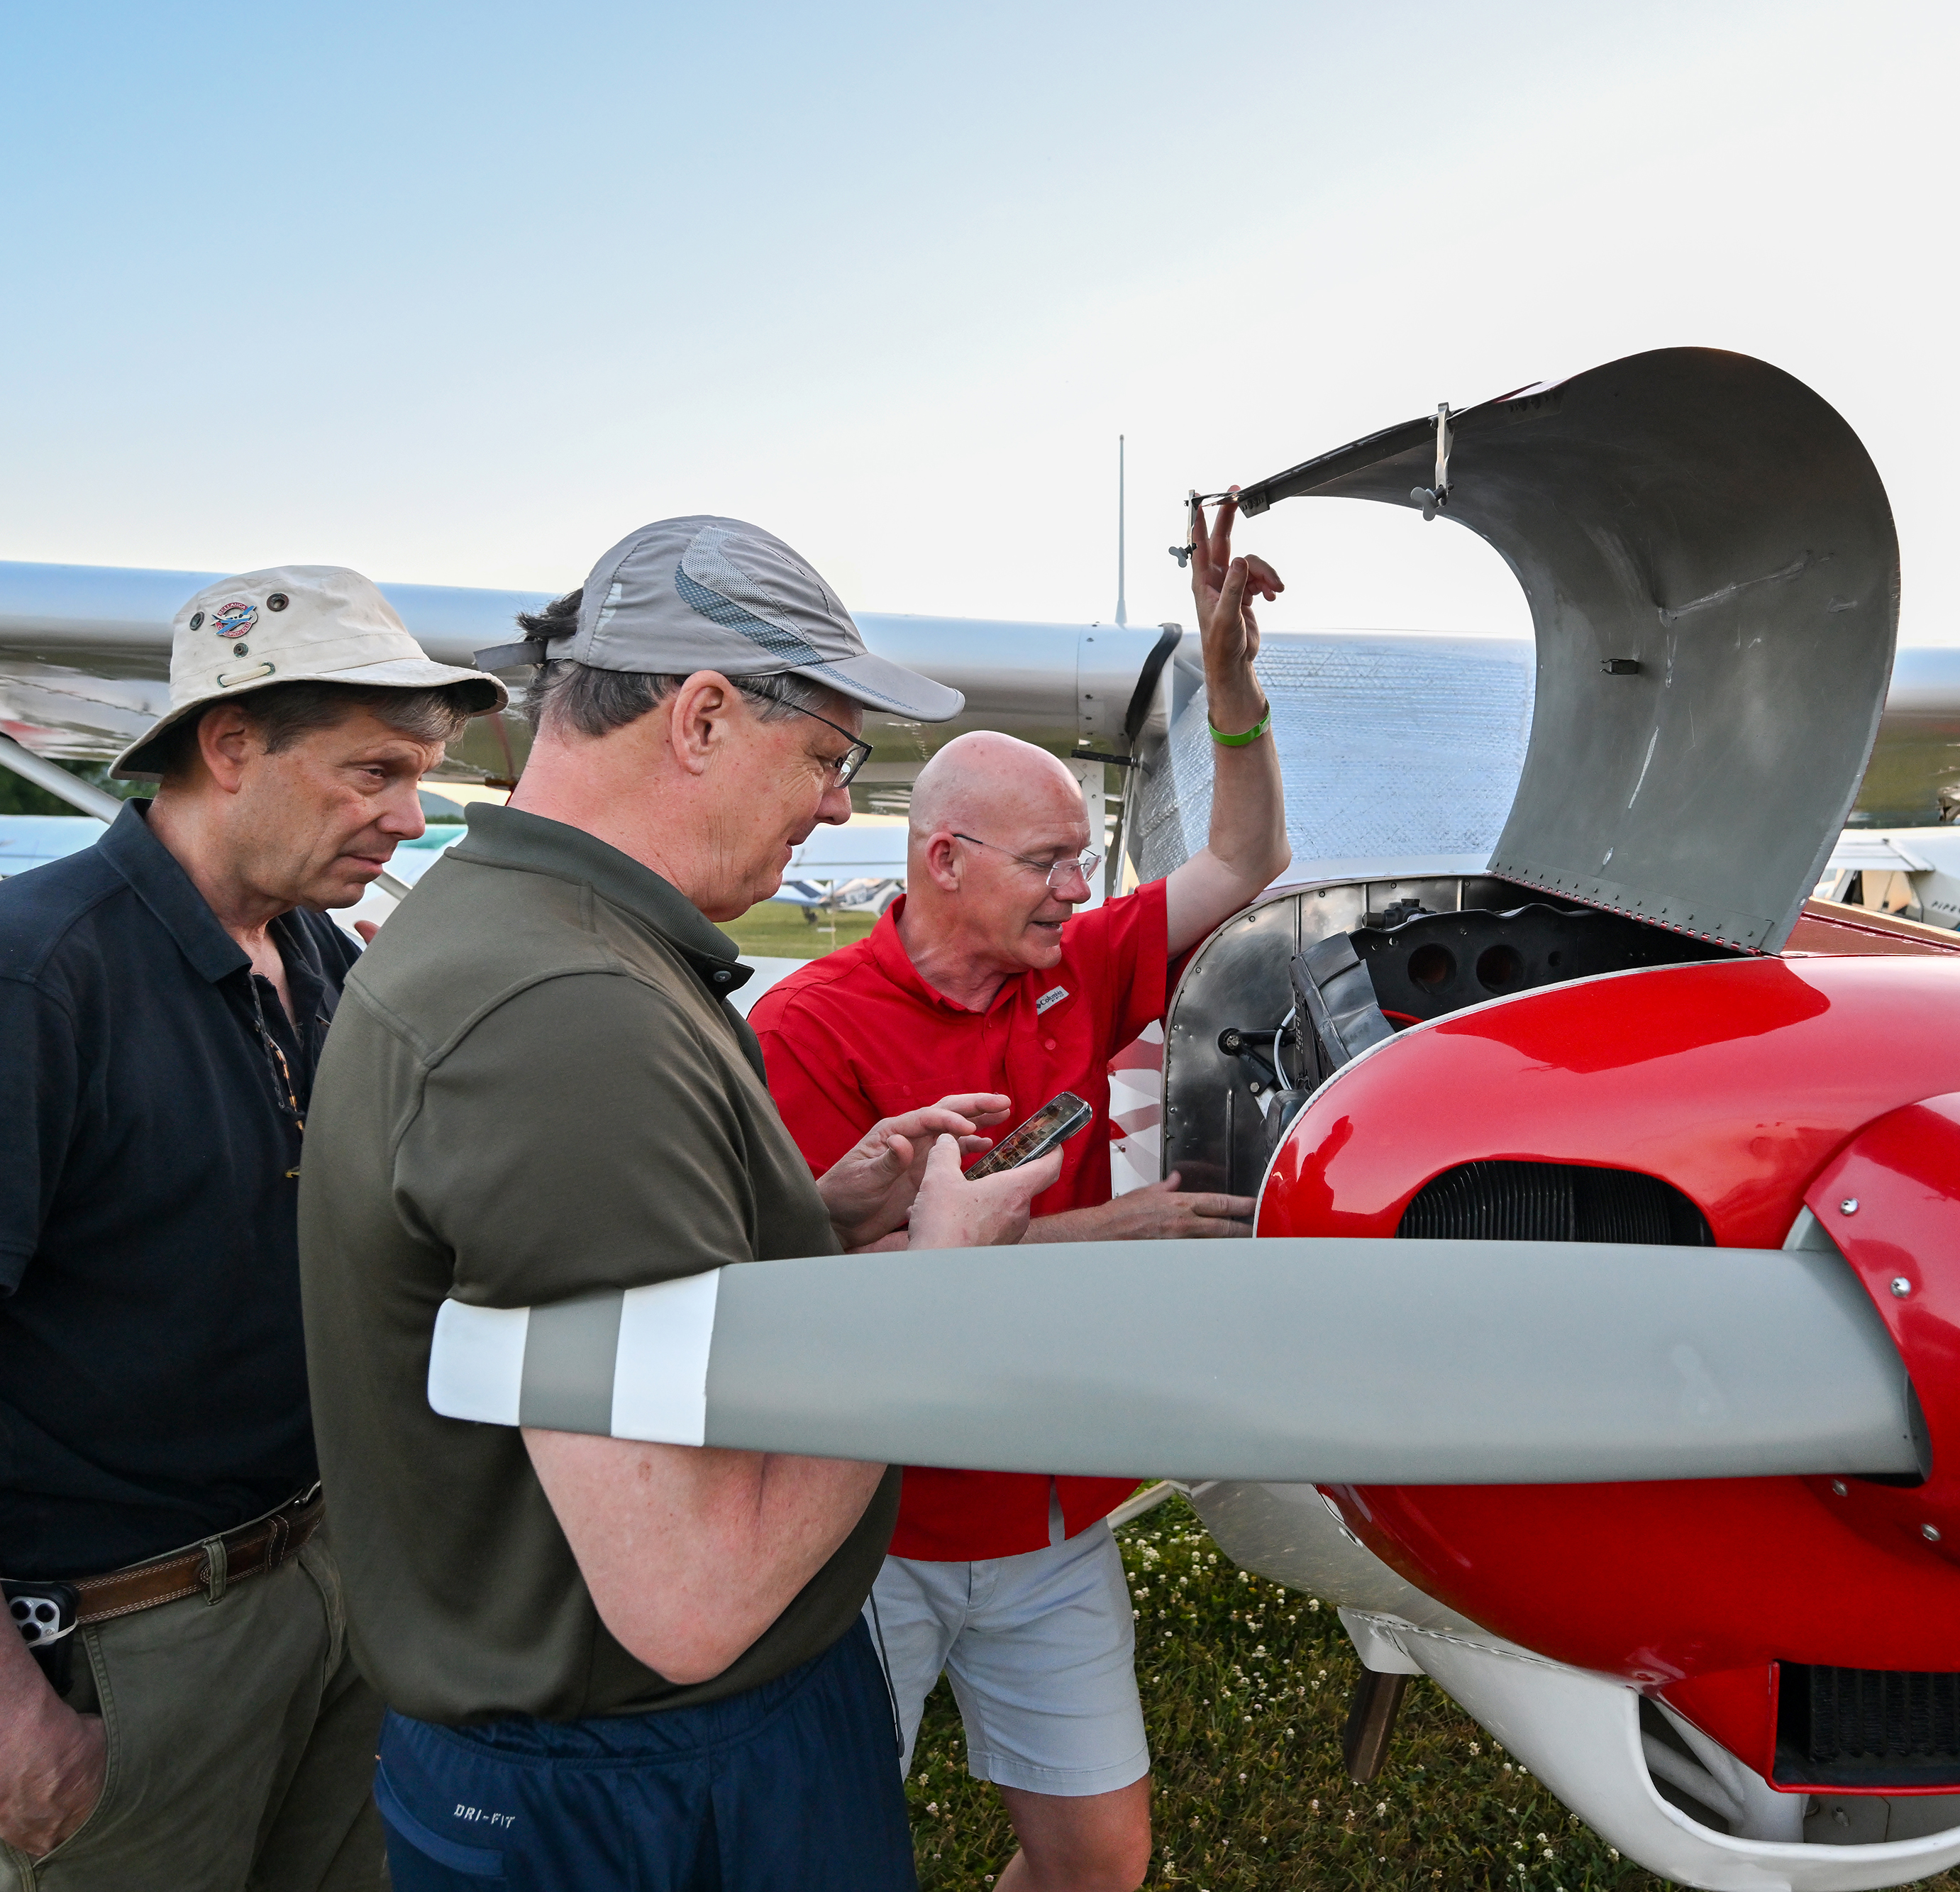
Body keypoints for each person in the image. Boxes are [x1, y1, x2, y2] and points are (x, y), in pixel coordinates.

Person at [296, 515, 1057, 1892]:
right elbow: (693, 1596)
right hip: (646, 1776)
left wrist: (810, 1216)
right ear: (701, 717)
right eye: (826, 753)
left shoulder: (522, 937)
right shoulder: (567, 1011)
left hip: (596, 1755)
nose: (838, 803)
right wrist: (934, 1290)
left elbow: (606, 1310)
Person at [0, 568, 504, 1889]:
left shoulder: (311, 951)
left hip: (310, 1602)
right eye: (376, 771)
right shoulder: (16, 977)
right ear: (229, 744)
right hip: (108, 1650)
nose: (410, 814)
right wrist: (9, 1740)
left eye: (423, 772)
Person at [748, 492, 1291, 1892]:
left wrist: (1230, 700)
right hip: (876, 1524)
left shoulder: (1072, 964)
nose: (1076, 884)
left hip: (1052, 1517)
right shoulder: (811, 1027)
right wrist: (1090, 1234)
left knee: (1097, 1855)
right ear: (943, 860)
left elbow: (1242, 865)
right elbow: (801, 1292)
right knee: (821, 1846)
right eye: (1047, 860)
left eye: (1076, 857)